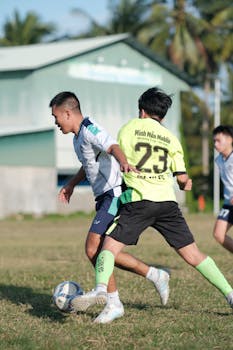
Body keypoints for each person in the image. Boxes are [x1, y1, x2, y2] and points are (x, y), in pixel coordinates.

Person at [71, 87, 233, 317]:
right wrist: (185, 183)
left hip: (139, 200)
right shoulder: (171, 138)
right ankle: (229, 294)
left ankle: (100, 290)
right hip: (167, 203)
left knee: (108, 247)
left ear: (142, 111)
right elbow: (182, 178)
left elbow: (116, 154)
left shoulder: (129, 128)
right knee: (194, 255)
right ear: (163, 115)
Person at [49, 91, 170, 324]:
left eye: (56, 117)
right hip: (103, 197)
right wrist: (72, 184)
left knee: (92, 247)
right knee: (107, 253)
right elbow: (88, 164)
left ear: (67, 112)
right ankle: (155, 274)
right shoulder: (77, 138)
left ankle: (112, 301)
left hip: (114, 194)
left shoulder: (89, 127)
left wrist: (123, 161)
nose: (56, 123)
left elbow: (112, 145)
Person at [213, 125, 233, 253]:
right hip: (228, 203)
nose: (215, 144)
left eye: (218, 140)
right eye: (214, 141)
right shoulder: (218, 159)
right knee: (218, 235)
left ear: (230, 140)